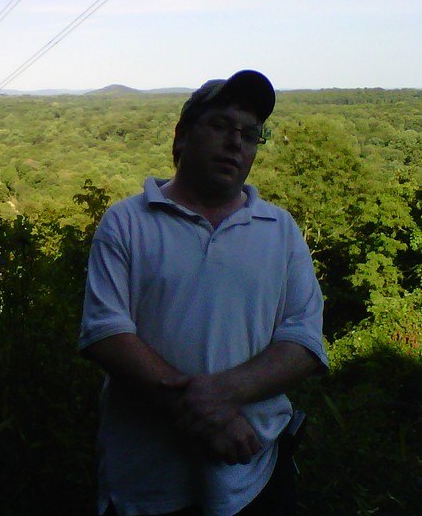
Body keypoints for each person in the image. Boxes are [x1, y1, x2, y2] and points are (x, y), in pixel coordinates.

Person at [78, 70, 329, 516]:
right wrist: (207, 417)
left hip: (255, 475)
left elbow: (304, 340)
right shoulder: (127, 222)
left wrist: (224, 395)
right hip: (146, 485)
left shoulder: (281, 231)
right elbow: (106, 334)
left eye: (250, 135)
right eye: (220, 126)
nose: (236, 142)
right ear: (181, 137)